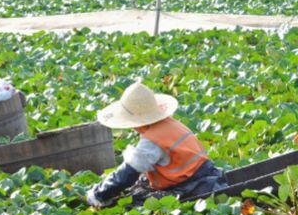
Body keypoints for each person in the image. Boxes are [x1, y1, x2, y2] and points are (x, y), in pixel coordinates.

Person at [86, 82, 227, 207]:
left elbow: (127, 174)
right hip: (209, 177)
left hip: (191, 188)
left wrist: (99, 194)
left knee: (131, 203)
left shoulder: (153, 140)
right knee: (141, 184)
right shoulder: (171, 124)